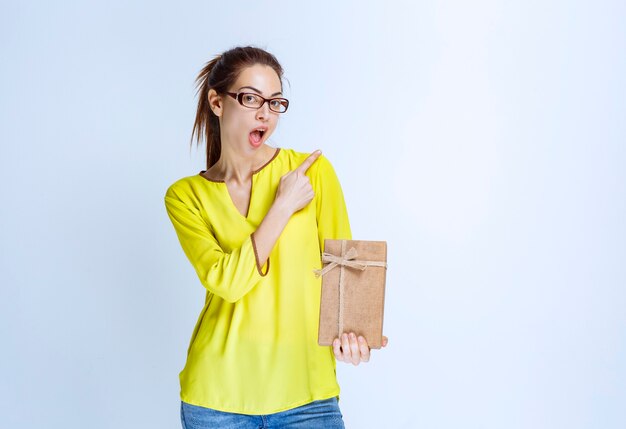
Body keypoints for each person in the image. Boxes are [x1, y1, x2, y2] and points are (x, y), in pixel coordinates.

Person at [164, 46, 388, 429]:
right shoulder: (186, 196)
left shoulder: (313, 174)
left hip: (308, 398)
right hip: (217, 402)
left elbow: (346, 272)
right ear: (217, 102)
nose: (265, 113)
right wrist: (282, 206)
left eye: (275, 102)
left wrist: (354, 335)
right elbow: (227, 283)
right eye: (250, 98)